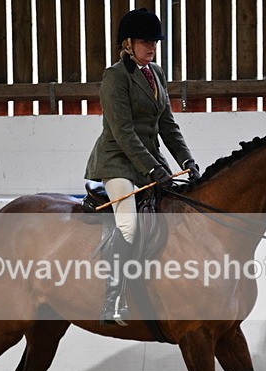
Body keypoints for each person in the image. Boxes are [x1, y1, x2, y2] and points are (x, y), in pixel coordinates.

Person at [85, 8, 200, 326]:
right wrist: (152, 169)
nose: (152, 48)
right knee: (128, 225)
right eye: (145, 42)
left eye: (154, 43)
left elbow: (168, 124)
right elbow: (124, 133)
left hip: (150, 163)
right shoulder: (115, 77)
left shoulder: (157, 74)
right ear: (128, 44)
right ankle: (113, 298)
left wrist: (186, 160)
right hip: (118, 163)